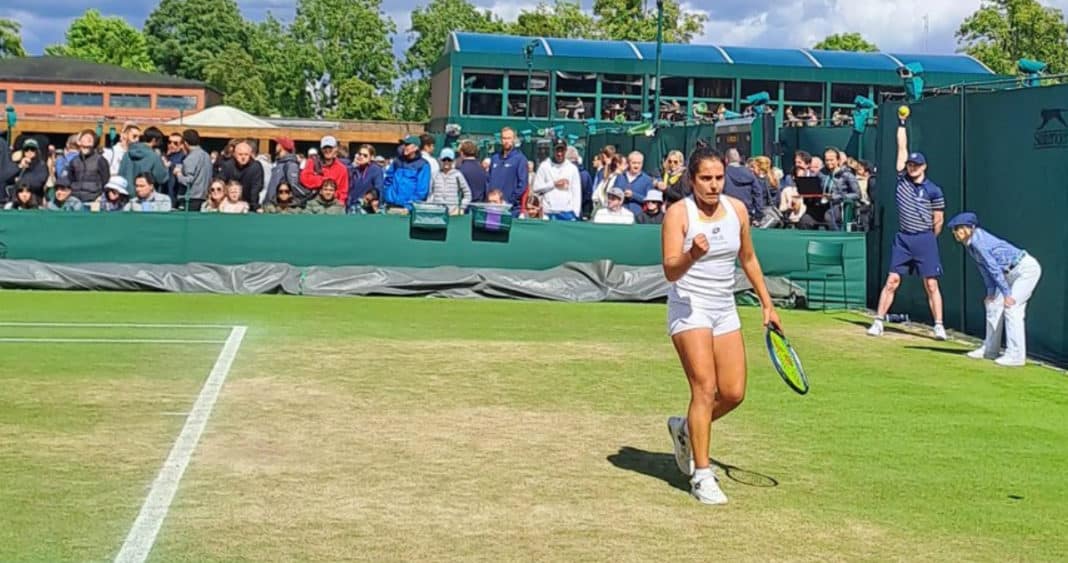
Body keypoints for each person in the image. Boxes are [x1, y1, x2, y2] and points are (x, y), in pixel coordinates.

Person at [662, 147, 782, 505]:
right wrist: (692, 255)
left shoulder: (737, 210)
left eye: (718, 178)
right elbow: (670, 270)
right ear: (692, 180)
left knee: (732, 393)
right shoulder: (677, 214)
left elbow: (747, 257)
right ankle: (701, 475)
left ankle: (685, 430)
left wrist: (767, 302)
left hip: (724, 307)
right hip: (689, 308)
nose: (714, 186)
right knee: (704, 387)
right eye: (705, 179)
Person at [868, 113, 947, 340]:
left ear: (924, 167)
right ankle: (878, 321)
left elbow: (938, 219)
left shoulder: (934, 190)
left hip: (925, 239)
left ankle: (939, 325)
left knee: (931, 284)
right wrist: (901, 123)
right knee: (892, 280)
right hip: (903, 239)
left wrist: (930, 238)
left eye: (916, 165)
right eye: (910, 164)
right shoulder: (902, 179)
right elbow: (901, 147)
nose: (912, 168)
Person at [947, 212, 1042, 367]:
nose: (955, 232)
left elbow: (993, 268)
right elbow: (984, 268)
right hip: (1008, 274)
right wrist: (991, 293)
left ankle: (1016, 355)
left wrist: (1006, 294)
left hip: (1025, 270)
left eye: (958, 228)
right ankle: (990, 350)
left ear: (969, 228)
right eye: (954, 229)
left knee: (1012, 308)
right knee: (992, 304)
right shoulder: (970, 245)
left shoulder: (979, 242)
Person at [532, 139, 582, 221]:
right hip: (548, 212)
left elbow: (576, 193)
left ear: (566, 151)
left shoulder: (572, 169)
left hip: (567, 213)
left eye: (562, 150)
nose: (559, 154)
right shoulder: (544, 166)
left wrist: (575, 213)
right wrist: (553, 184)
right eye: (557, 150)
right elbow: (536, 188)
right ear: (553, 150)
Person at [382, 135, 431, 213]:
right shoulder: (397, 161)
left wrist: (409, 207)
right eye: (404, 144)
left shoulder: (423, 165)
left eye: (407, 144)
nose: (404, 147)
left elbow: (422, 191)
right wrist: (387, 196)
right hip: (391, 206)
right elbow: (388, 180)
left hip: (408, 210)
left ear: (416, 148)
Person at [487, 127, 529, 211]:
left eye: (509, 138)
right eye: (504, 138)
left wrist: (510, 200)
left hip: (510, 208)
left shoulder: (520, 159)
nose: (506, 141)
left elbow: (523, 184)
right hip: (492, 206)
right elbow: (488, 180)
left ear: (514, 139)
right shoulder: (495, 158)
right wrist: (489, 197)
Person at [427, 148, 472, 215]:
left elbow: (467, 194)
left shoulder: (458, 175)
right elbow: (430, 194)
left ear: (453, 161)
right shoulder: (435, 175)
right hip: (437, 213)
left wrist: (461, 208)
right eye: (444, 159)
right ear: (440, 160)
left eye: (449, 160)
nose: (446, 162)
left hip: (453, 213)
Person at [347, 144, 384, 213]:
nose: (361, 157)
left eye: (365, 155)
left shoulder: (376, 170)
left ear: (372, 157)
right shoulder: (354, 169)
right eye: (360, 154)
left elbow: (379, 190)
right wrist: (353, 165)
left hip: (366, 208)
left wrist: (375, 202)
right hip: (351, 207)